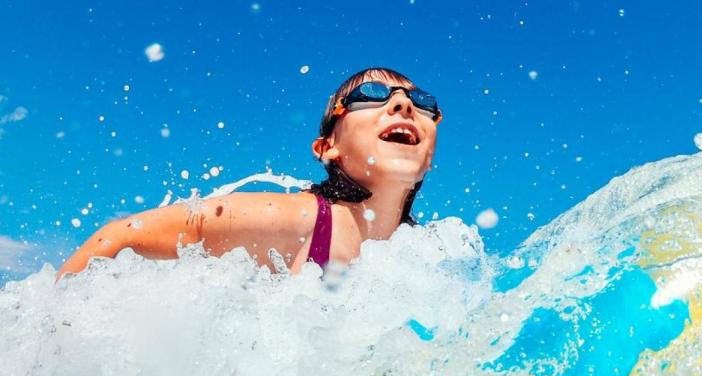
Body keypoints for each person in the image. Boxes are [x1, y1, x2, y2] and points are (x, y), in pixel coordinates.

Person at [56, 67, 441, 278]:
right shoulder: (301, 219)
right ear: (328, 148)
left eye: (423, 102)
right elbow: (120, 236)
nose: (403, 104)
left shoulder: (428, 254)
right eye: (371, 95)